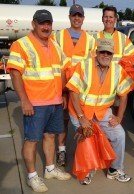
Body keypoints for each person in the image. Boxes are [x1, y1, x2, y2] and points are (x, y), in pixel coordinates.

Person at [6, 9, 71, 193]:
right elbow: (15, 73)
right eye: (41, 23)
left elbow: (64, 70)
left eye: (48, 23)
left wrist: (64, 94)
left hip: (55, 101)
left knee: (50, 135)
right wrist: (24, 101)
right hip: (35, 103)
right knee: (32, 140)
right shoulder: (22, 44)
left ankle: (50, 169)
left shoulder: (55, 45)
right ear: (33, 24)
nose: (45, 26)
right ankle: (32, 177)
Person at [66, 39, 134, 185]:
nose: (105, 55)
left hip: (103, 112)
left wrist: (119, 117)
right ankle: (89, 169)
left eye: (108, 53)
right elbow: (73, 91)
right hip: (81, 111)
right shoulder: (84, 66)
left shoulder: (117, 70)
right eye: (102, 51)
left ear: (112, 55)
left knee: (120, 135)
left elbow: (124, 95)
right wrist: (81, 117)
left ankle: (114, 170)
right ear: (96, 52)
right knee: (88, 137)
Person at [52, 4, 96, 167]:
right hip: (62, 87)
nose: (77, 18)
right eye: (74, 15)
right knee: (62, 121)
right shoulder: (58, 36)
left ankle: (83, 154)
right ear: (69, 17)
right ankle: (61, 151)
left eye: (79, 15)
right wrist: (62, 90)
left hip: (80, 89)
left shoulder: (91, 40)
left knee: (82, 120)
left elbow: (92, 64)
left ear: (83, 18)